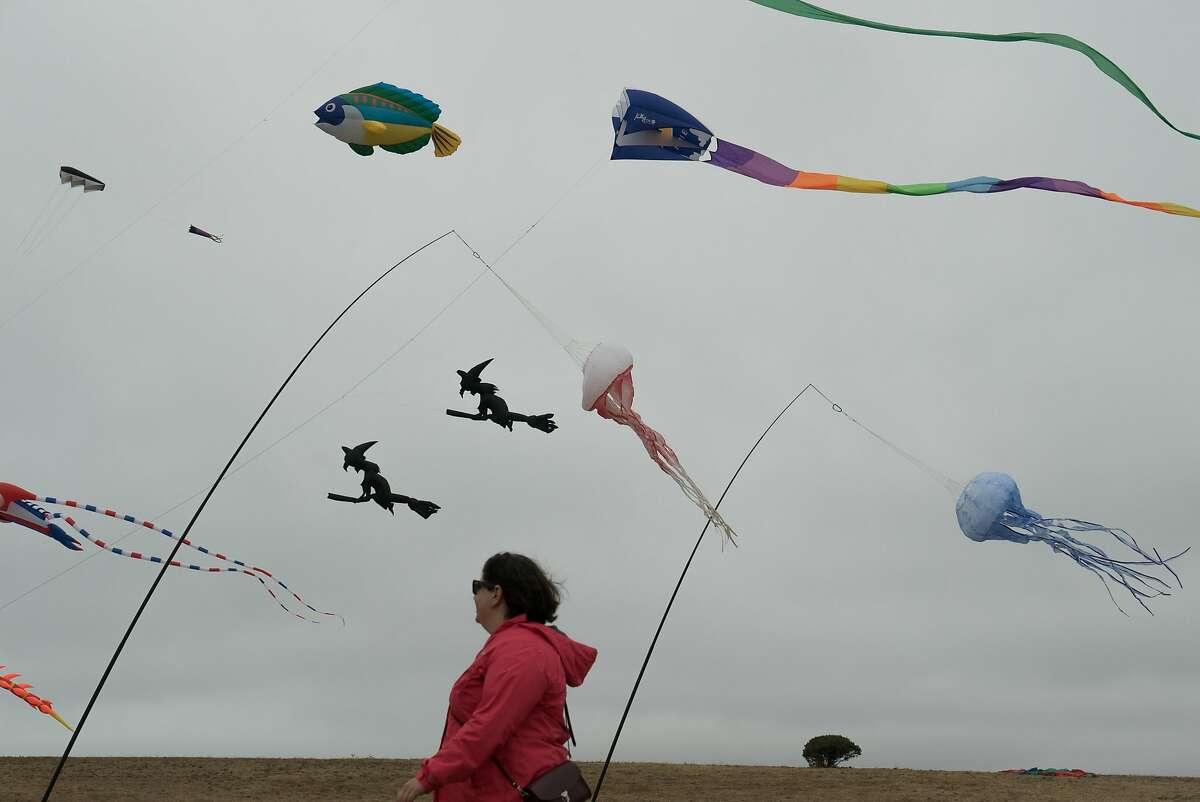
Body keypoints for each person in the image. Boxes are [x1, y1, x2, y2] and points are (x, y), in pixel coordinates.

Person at [396, 552, 597, 801]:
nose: (473, 594)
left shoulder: (523, 651)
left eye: (477, 586)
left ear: (496, 594)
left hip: (511, 792)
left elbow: (489, 725)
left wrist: (429, 776)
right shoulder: (510, 646)